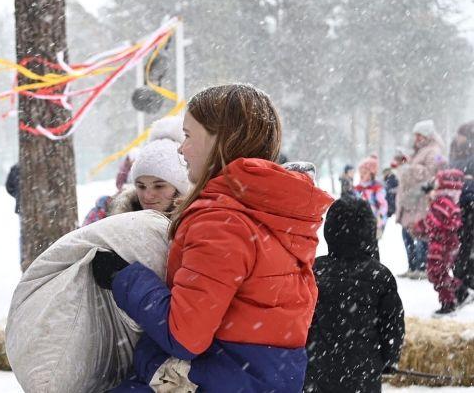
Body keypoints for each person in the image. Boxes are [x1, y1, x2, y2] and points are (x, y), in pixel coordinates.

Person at [92, 84, 333, 391]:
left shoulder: (222, 221)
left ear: (220, 140)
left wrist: (123, 277)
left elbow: (184, 335)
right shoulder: (271, 212)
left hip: (214, 378)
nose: (181, 148)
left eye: (188, 136)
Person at [304, 197, 404, 392]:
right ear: (369, 231)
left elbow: (300, 319)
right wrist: (390, 359)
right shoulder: (379, 275)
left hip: (317, 368)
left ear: (330, 230)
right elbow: (392, 324)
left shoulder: (315, 270)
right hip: (363, 371)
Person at [82, 116, 188, 226]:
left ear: (180, 187)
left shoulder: (194, 222)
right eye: (141, 186)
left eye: (159, 186)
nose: (147, 196)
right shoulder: (107, 214)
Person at [397, 120, 447, 279]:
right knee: (407, 232)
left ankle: (421, 266)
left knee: (421, 232)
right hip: (411, 199)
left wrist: (410, 169)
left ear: (426, 135)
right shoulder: (419, 150)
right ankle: (412, 266)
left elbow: (431, 172)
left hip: (422, 199)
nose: (416, 138)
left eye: (419, 135)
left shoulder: (434, 150)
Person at [412, 169, 465, 314]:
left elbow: (439, 222)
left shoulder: (443, 202)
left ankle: (456, 293)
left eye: (437, 182)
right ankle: (450, 298)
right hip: (443, 242)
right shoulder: (444, 201)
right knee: (437, 272)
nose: (434, 186)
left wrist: (422, 227)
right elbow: (435, 221)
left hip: (442, 244)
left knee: (437, 272)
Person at [451, 121, 474, 303]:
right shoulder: (458, 153)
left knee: (464, 250)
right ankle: (464, 284)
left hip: (468, 206)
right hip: (459, 207)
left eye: (461, 135)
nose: (457, 138)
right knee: (461, 250)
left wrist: (461, 182)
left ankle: (463, 288)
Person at [355, 155, 388, 238]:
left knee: (371, 245)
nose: (362, 175)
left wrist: (380, 216)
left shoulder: (377, 188)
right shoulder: (358, 188)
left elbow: (383, 205)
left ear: (372, 174)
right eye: (360, 173)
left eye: (365, 173)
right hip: (359, 221)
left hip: (374, 221)